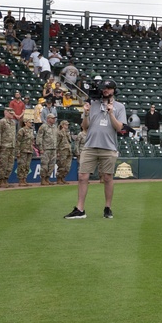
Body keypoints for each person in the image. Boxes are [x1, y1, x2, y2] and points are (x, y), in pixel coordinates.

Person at [65, 79, 125, 219]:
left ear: (114, 90)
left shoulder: (120, 107)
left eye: (108, 88)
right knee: (82, 176)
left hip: (109, 146)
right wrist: (86, 113)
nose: (105, 90)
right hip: (90, 145)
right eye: (104, 88)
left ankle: (108, 208)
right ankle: (80, 209)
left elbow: (119, 128)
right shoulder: (93, 104)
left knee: (107, 177)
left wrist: (111, 113)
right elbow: (85, 127)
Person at [0, 107, 17, 188]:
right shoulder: (2, 122)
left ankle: (6, 180)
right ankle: (1, 181)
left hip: (11, 146)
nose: (12, 115)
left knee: (10, 165)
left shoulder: (13, 122)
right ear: (6, 113)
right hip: (4, 146)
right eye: (10, 113)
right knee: (3, 164)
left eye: (12, 114)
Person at [36, 114, 58, 186]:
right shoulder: (43, 127)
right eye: (52, 118)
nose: (54, 120)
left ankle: (47, 178)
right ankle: (43, 179)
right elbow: (39, 138)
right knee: (44, 165)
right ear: (48, 119)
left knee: (52, 165)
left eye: (54, 118)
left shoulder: (55, 127)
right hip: (46, 148)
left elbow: (57, 138)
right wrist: (40, 148)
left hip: (53, 148)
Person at [56, 120, 72, 185]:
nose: (67, 126)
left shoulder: (68, 132)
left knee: (67, 166)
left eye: (67, 125)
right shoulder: (59, 133)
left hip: (68, 151)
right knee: (61, 165)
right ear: (62, 125)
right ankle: (59, 178)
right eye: (66, 124)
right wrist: (57, 151)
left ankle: (63, 177)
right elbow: (57, 142)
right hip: (62, 151)